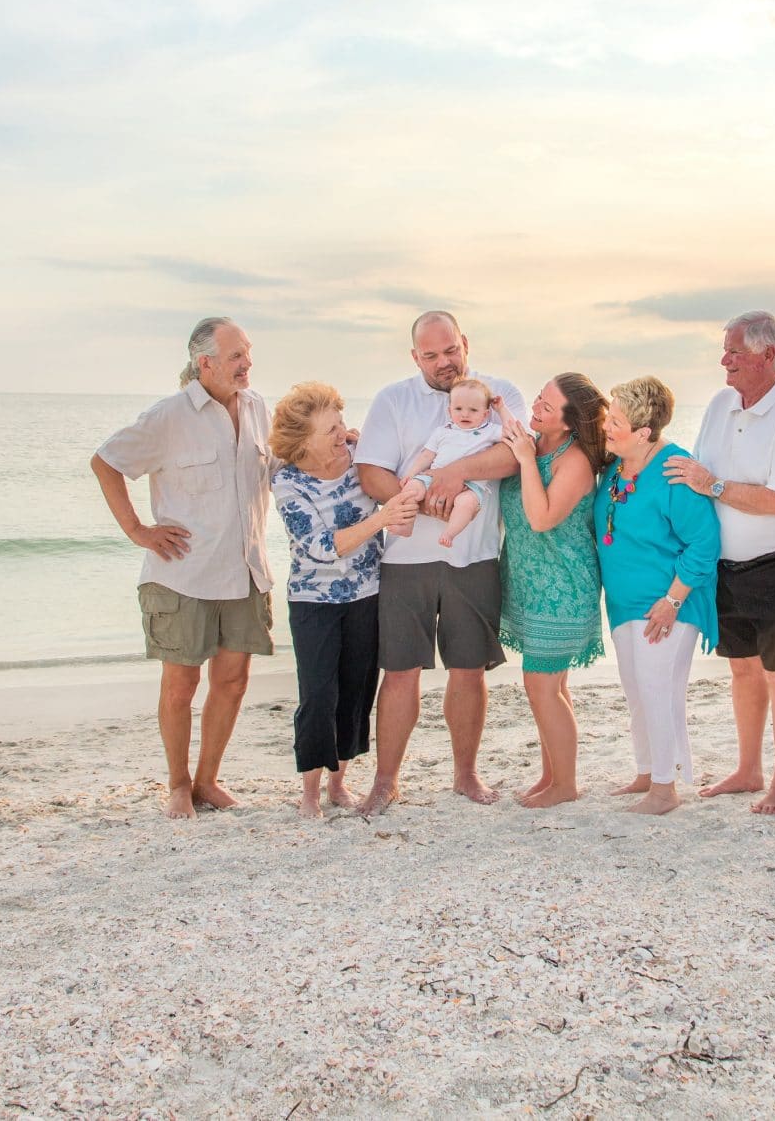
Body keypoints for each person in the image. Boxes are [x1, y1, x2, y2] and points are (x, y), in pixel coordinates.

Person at [89, 316, 273, 820]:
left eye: (248, 352)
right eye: (236, 356)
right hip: (183, 576)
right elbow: (106, 463)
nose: (246, 363)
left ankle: (208, 781)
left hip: (246, 571)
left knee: (233, 681)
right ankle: (176, 783)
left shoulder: (258, 409)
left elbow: (280, 467)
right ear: (205, 363)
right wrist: (137, 530)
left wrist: (337, 441)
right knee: (180, 686)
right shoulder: (169, 416)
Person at [353, 311, 529, 814]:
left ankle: (465, 774)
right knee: (400, 670)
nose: (443, 362)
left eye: (450, 350)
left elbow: (514, 456)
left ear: (464, 343)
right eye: (430, 355)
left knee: (468, 670)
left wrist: (454, 473)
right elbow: (371, 472)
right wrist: (424, 503)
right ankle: (385, 781)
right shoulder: (394, 399)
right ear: (415, 357)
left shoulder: (498, 394)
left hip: (473, 555)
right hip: (404, 559)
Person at [665, 310, 775, 815]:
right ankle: (749, 768)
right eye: (725, 349)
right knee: (743, 672)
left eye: (734, 351)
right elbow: (693, 471)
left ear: (767, 355)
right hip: (726, 568)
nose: (724, 360)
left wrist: (712, 485)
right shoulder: (719, 403)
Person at [269, 383, 420, 819]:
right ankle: (311, 794)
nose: (341, 435)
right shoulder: (288, 482)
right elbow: (319, 545)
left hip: (368, 593)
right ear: (303, 442)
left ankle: (339, 784)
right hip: (313, 600)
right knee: (318, 695)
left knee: (356, 691)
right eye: (329, 430)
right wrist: (382, 519)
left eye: (340, 424)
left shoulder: (360, 461)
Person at [596, 376, 720, 816]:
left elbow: (704, 542)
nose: (605, 427)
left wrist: (673, 601)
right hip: (624, 604)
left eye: (615, 421)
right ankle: (648, 771)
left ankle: (666, 790)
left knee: (658, 690)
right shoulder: (616, 466)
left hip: (667, 604)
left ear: (644, 432)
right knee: (636, 690)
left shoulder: (673, 468)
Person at [497, 373, 607, 808]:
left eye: (547, 405)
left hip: (563, 584)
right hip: (529, 581)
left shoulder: (574, 460)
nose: (536, 407)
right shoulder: (536, 441)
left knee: (541, 684)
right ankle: (552, 775)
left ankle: (566, 784)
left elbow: (542, 518)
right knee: (551, 685)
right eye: (538, 398)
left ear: (570, 421)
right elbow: (496, 413)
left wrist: (524, 460)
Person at [393, 377, 502, 548]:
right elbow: (427, 456)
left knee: (466, 504)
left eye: (473, 410)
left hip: (471, 486)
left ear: (485, 413)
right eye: (458, 409)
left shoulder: (490, 431)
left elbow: (514, 432)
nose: (465, 414)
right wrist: (411, 473)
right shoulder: (442, 431)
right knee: (411, 489)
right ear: (450, 411)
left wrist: (502, 410)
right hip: (433, 477)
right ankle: (406, 524)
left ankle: (449, 533)